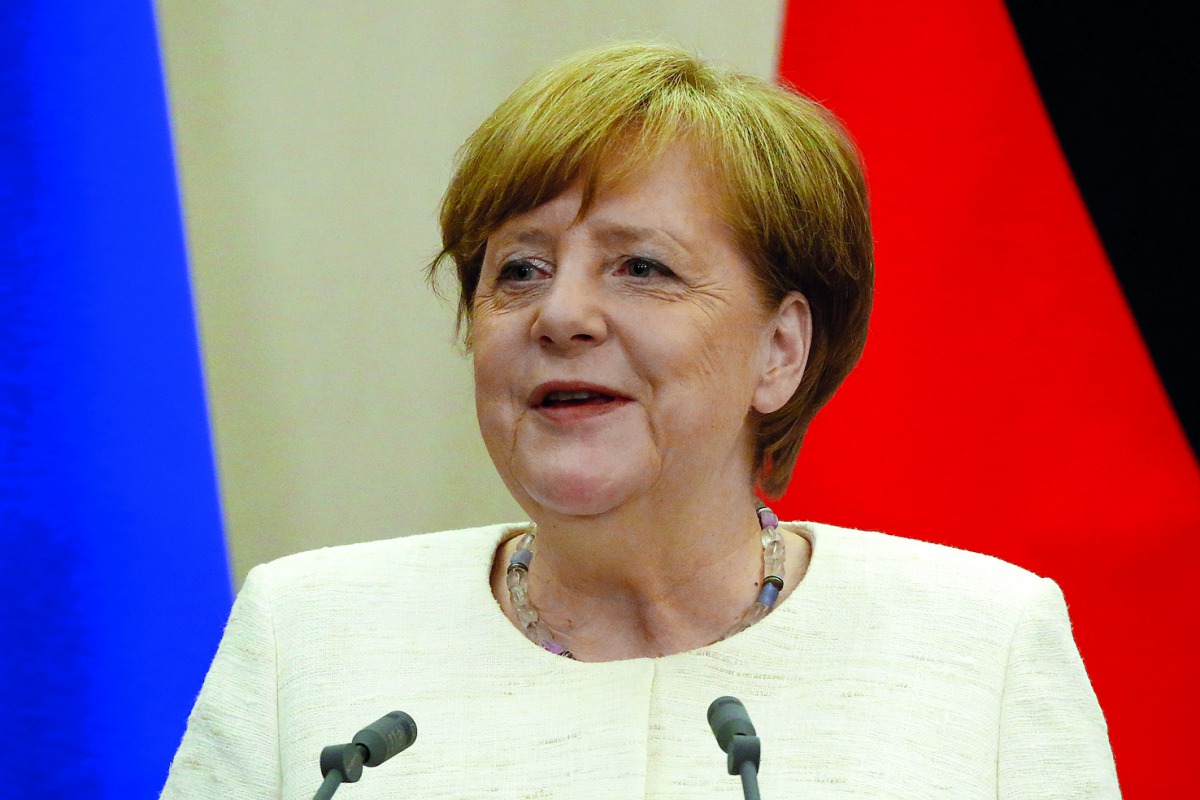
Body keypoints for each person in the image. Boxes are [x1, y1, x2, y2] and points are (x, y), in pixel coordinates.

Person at [161, 43, 1120, 799]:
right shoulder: (310, 636)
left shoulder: (979, 645)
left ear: (779, 351)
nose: (560, 314)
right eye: (519, 270)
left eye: (641, 267)